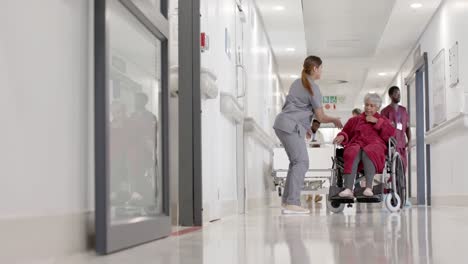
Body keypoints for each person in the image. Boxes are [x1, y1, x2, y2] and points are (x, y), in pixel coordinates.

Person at [273, 55, 343, 214]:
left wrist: (305, 126)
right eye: (321, 68)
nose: (322, 71)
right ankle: (292, 202)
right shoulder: (313, 89)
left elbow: (297, 108)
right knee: (302, 162)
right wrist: (334, 120)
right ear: (315, 68)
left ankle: (287, 201)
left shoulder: (297, 83)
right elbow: (320, 117)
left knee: (295, 162)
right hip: (290, 126)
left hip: (282, 123)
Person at [333, 93, 395, 197]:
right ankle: (348, 188)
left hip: (375, 144)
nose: (368, 108)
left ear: (378, 107)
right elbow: (346, 131)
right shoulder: (355, 120)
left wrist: (377, 121)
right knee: (351, 151)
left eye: (372, 106)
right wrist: (342, 136)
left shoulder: (383, 120)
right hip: (357, 143)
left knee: (370, 151)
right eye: (366, 105)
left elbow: (390, 134)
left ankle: (369, 188)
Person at [380, 86, 411, 171]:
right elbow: (381, 130)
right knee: (394, 169)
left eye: (399, 93)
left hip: (402, 144)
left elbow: (407, 127)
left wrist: (410, 140)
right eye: (396, 94)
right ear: (390, 95)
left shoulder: (403, 110)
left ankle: (402, 184)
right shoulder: (384, 112)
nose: (398, 95)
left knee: (403, 168)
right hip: (391, 145)